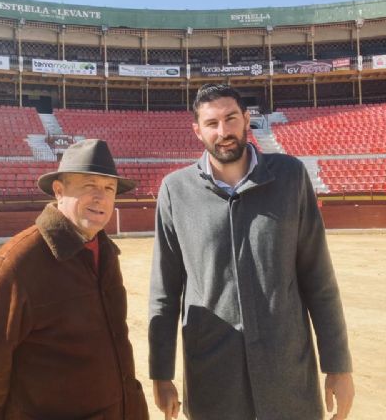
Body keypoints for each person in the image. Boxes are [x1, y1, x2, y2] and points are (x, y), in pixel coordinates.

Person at [148, 84, 354, 420]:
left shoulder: (289, 176)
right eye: (212, 123)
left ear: (246, 119)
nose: (223, 131)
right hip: (212, 370)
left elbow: (319, 279)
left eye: (231, 119)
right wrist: (161, 374)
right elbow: (165, 291)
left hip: (285, 364)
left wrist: (338, 367)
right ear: (197, 131)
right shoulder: (175, 189)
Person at [0, 139, 149, 420]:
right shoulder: (17, 264)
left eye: (109, 188)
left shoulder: (105, 252)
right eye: (89, 186)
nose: (101, 197)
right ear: (59, 191)